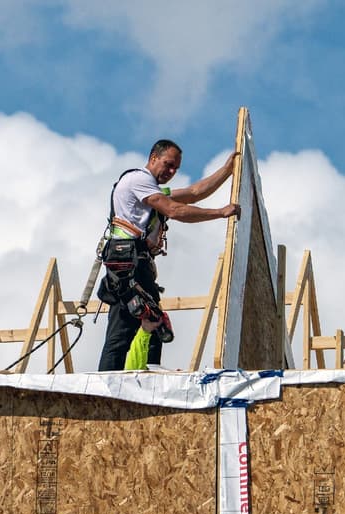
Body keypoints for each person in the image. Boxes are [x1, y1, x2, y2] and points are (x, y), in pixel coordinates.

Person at [97, 140, 240, 371]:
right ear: (153, 158)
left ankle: (149, 376)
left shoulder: (151, 188)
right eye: (168, 164)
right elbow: (174, 210)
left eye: (176, 168)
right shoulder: (138, 179)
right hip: (127, 265)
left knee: (154, 324)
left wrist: (226, 170)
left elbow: (194, 193)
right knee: (122, 331)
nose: (171, 172)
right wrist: (220, 212)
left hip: (137, 263)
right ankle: (106, 383)